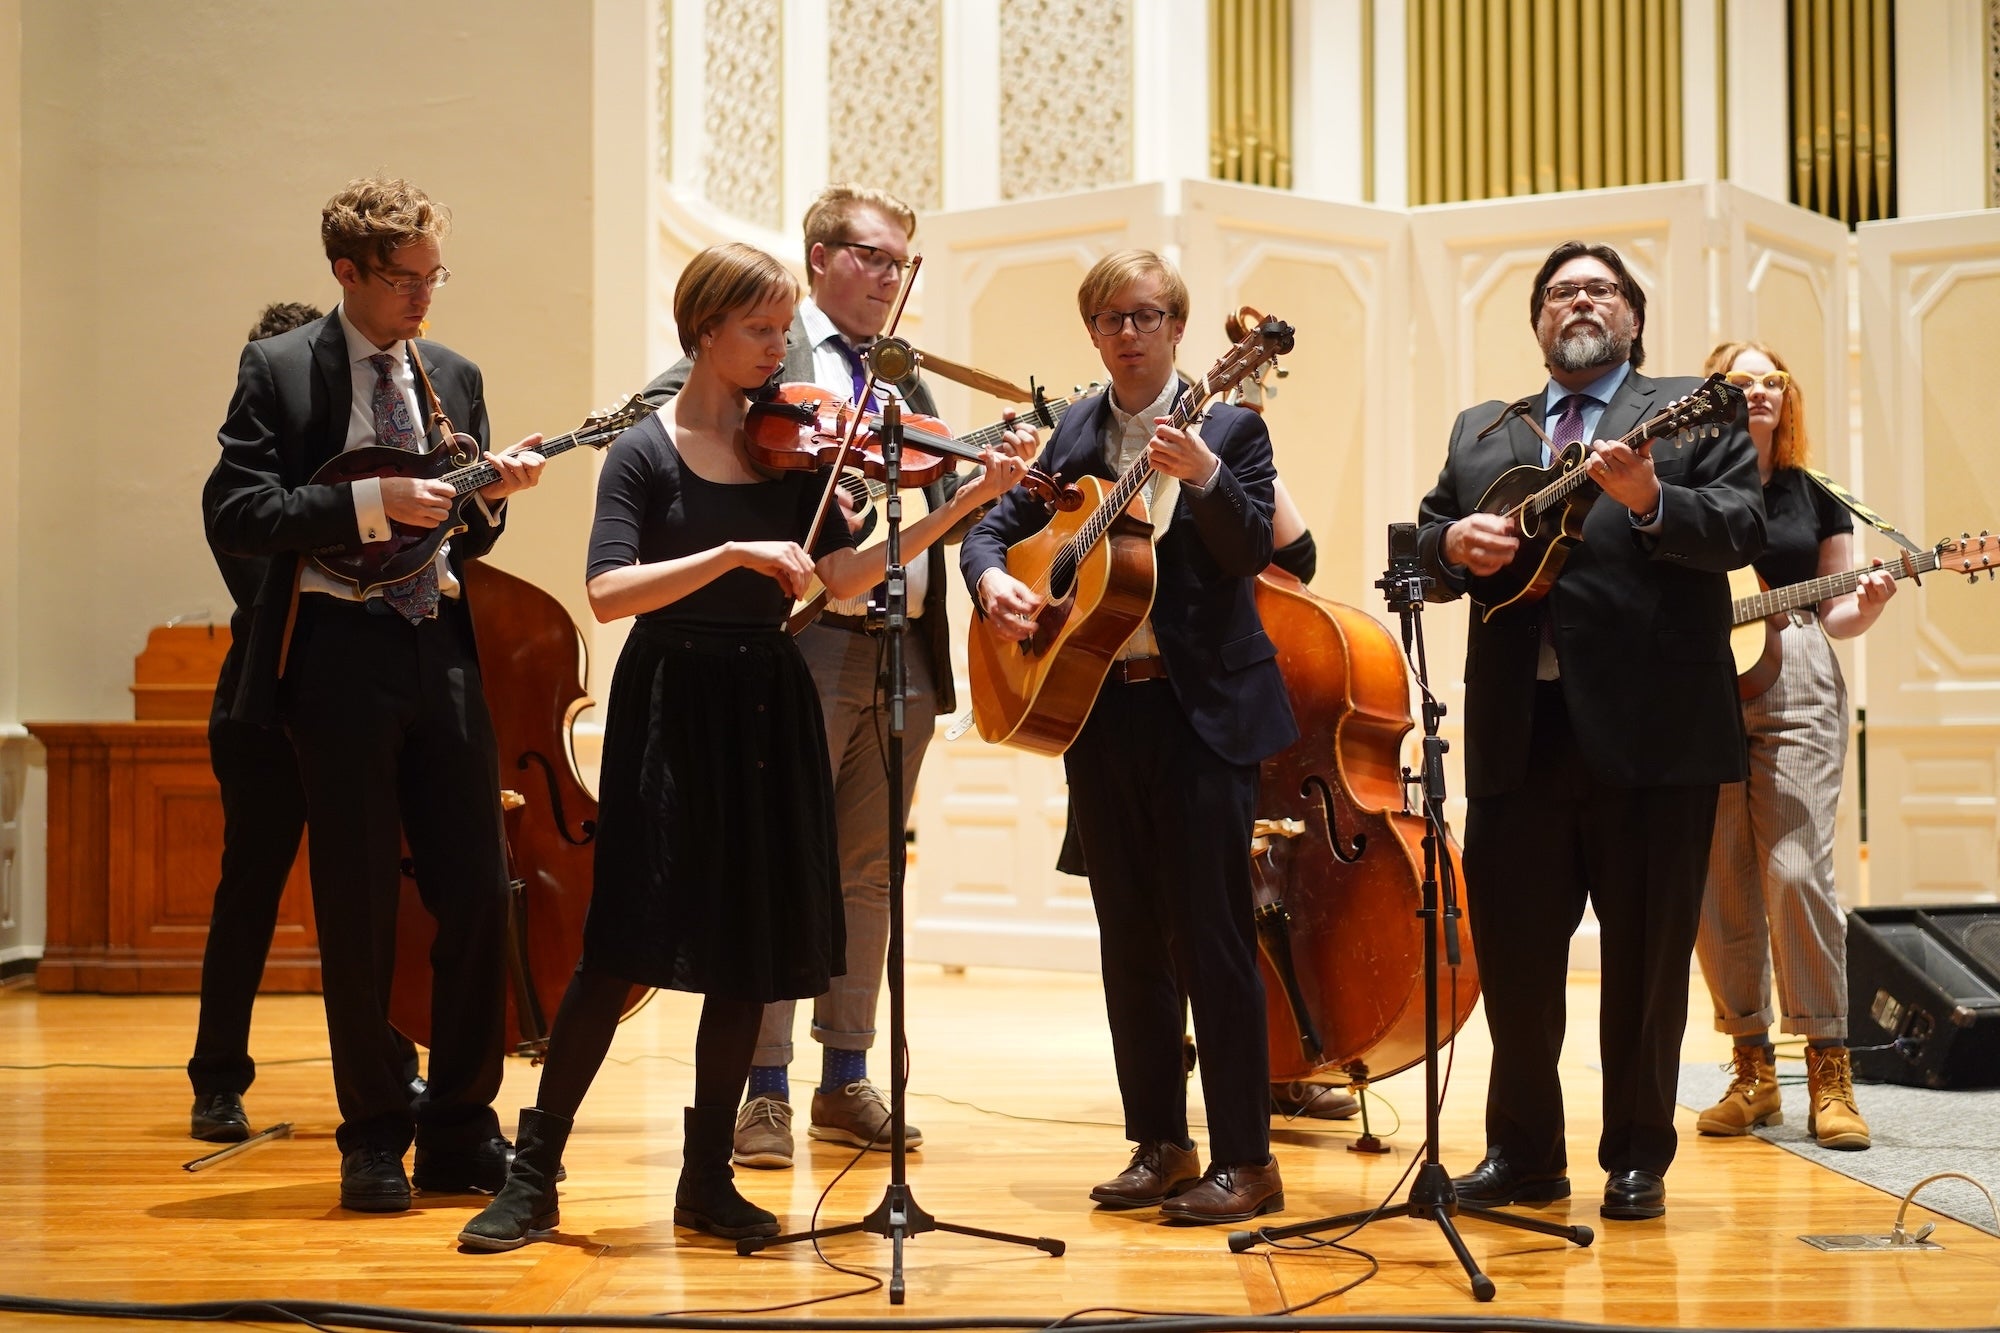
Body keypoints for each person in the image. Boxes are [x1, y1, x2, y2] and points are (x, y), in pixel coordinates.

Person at [458, 242, 1026, 1251]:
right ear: (704, 331)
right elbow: (608, 590)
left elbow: (840, 578)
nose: (777, 348)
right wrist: (728, 552)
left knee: (744, 957)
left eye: (780, 329)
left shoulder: (789, 453)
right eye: (758, 329)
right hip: (672, 698)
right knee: (617, 947)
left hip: (766, 699)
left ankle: (706, 1180)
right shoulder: (645, 450)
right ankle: (534, 1174)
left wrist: (966, 503)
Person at [644, 184, 1037, 1170]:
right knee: (781, 863)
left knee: (868, 871)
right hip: (802, 642)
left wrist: (994, 468)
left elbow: (940, 503)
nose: (888, 277)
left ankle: (846, 1076)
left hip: (900, 650)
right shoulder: (772, 352)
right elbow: (675, 413)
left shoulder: (906, 380)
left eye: (901, 262)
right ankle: (763, 1089)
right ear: (820, 256)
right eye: (872, 256)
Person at [203, 177, 547, 1211]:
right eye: (406, 279)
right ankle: (371, 1136)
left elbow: (462, 537)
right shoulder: (280, 368)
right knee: (356, 905)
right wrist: (369, 500)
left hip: (438, 643)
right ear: (346, 271)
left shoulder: (454, 374)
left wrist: (489, 498)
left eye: (436, 275)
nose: (425, 296)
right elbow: (238, 510)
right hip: (337, 654)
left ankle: (460, 1126)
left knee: (478, 890)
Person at [1413, 240, 1764, 1221]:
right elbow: (1422, 546)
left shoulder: (1693, 409)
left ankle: (1636, 1155)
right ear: (1538, 320)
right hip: (1518, 734)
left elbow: (1743, 528)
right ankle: (1524, 1155)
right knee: (1516, 963)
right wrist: (1451, 543)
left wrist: (1650, 499)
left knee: (1646, 965)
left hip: (1656, 737)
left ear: (1632, 317)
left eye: (1600, 290)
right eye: (1561, 291)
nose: (1580, 301)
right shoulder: (1483, 428)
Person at [965, 250, 1299, 1226]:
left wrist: (1205, 479)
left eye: (1146, 315)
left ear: (1179, 328)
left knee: (1213, 938)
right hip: (1099, 711)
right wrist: (992, 580)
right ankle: (1159, 1141)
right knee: (1129, 939)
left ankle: (1247, 1159)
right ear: (1092, 332)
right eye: (1110, 317)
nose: (1128, 332)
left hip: (1201, 715)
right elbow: (993, 529)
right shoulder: (1076, 427)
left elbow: (1256, 551)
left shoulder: (1230, 426)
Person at [188, 300, 422, 1142]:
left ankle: (392, 1064)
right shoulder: (251, 494)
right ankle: (217, 1079)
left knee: (369, 889)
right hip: (264, 704)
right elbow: (274, 587)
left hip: (347, 700)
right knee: (250, 888)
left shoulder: (341, 478)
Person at [1692, 342, 1892, 1151]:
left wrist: (1868, 602)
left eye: (1772, 380)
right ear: (1712, 396)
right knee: (1719, 883)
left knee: (1797, 870)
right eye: (1741, 381)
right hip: (1706, 679)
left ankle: (1829, 1069)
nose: (1759, 392)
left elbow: (1839, 611)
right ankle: (1752, 1071)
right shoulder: (1690, 486)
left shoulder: (1817, 492)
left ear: (1788, 397)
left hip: (1798, 671)